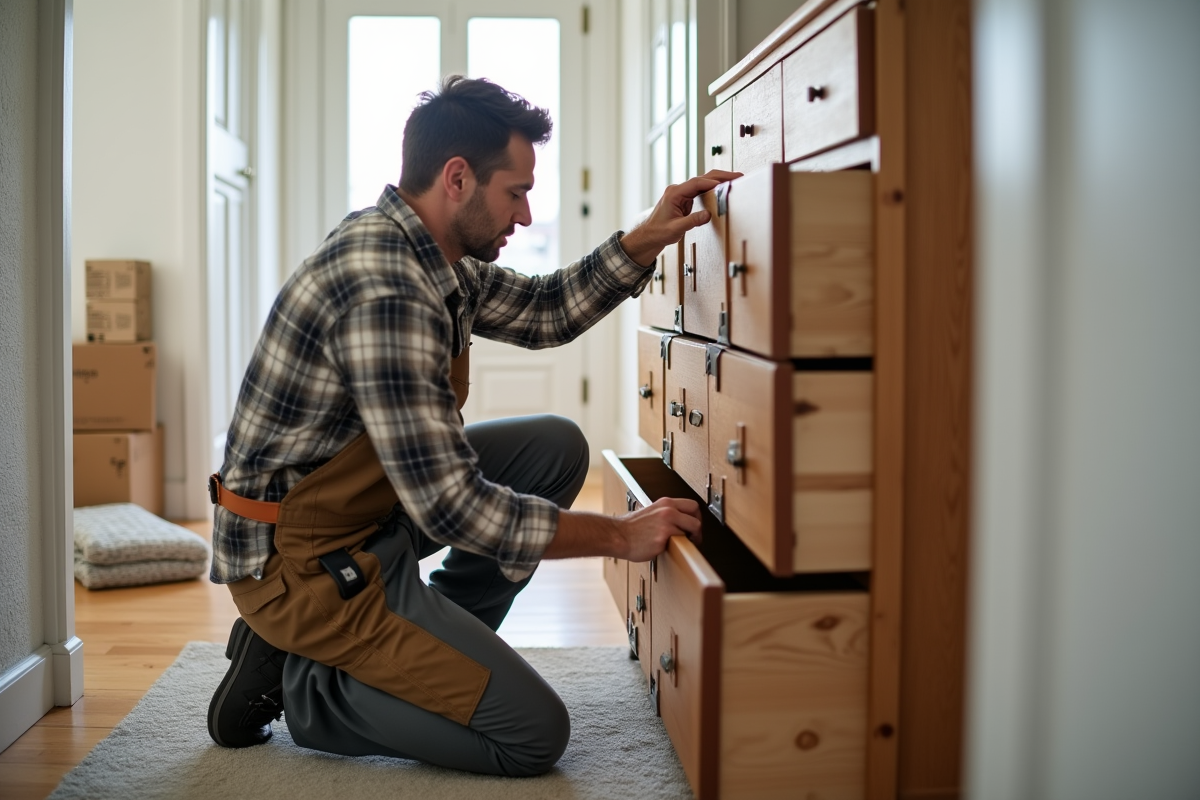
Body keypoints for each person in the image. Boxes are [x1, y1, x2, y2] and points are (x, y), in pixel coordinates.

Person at [205, 74, 738, 775]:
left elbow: (547, 310)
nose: (524, 214)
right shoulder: (386, 287)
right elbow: (454, 508)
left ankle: (415, 654)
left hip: (360, 519)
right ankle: (310, 683)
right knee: (530, 736)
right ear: (457, 178)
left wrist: (645, 238)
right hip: (301, 563)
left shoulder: (436, 260)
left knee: (552, 448)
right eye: (516, 191)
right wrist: (619, 535)